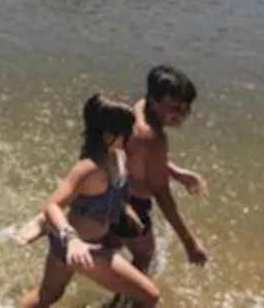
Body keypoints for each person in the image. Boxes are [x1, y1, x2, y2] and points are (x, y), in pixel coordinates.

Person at [19, 93, 160, 308]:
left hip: (84, 242)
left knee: (47, 296)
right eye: (128, 130)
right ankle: (42, 225)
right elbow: (52, 205)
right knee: (150, 296)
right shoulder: (90, 169)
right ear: (108, 136)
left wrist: (125, 209)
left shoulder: (117, 157)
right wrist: (72, 240)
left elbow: (114, 193)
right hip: (79, 247)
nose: (134, 134)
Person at [112, 65, 209, 276]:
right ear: (155, 100)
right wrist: (190, 241)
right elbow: (162, 194)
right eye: (175, 107)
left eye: (187, 107)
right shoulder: (153, 138)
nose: (183, 114)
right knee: (145, 259)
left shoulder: (138, 108)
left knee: (113, 249)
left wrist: (174, 171)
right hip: (132, 205)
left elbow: (136, 155)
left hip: (113, 196)